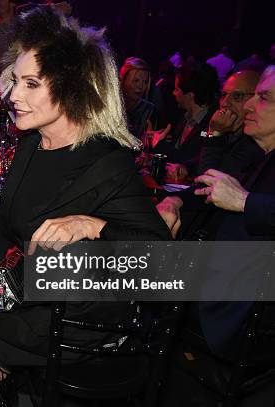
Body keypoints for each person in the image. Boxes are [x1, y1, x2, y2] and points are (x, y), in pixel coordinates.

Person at [0, 6, 169, 373]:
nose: (13, 96)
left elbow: (162, 263)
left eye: (31, 84)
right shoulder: (30, 147)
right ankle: (5, 372)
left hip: (75, 320)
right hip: (30, 295)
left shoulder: (104, 162)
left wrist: (91, 226)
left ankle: (10, 371)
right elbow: (5, 226)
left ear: (73, 88)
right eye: (16, 81)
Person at [157, 66, 275, 355]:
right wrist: (178, 200)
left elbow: (234, 197)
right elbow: (213, 186)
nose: (247, 105)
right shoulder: (260, 155)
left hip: (232, 306)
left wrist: (245, 201)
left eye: (264, 98)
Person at [151, 62, 219, 180]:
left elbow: (189, 158)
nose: (174, 93)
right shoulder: (184, 117)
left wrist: (160, 144)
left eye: (177, 89)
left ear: (190, 95)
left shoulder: (212, 126)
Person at [119, 57, 158, 139]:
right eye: (136, 80)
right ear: (123, 80)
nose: (141, 86)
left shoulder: (149, 111)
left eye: (145, 82)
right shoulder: (111, 107)